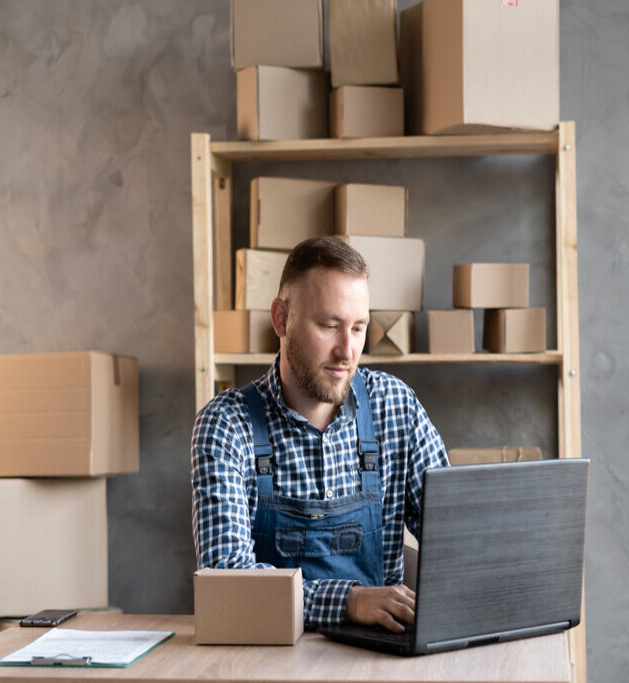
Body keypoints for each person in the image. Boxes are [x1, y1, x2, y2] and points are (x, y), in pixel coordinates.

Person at [190, 236, 448, 633]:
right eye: (330, 326)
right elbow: (229, 580)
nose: (347, 350)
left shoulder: (397, 407)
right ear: (281, 319)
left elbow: (454, 534)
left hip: (377, 659)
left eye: (359, 328)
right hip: (266, 660)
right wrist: (347, 601)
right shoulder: (226, 426)